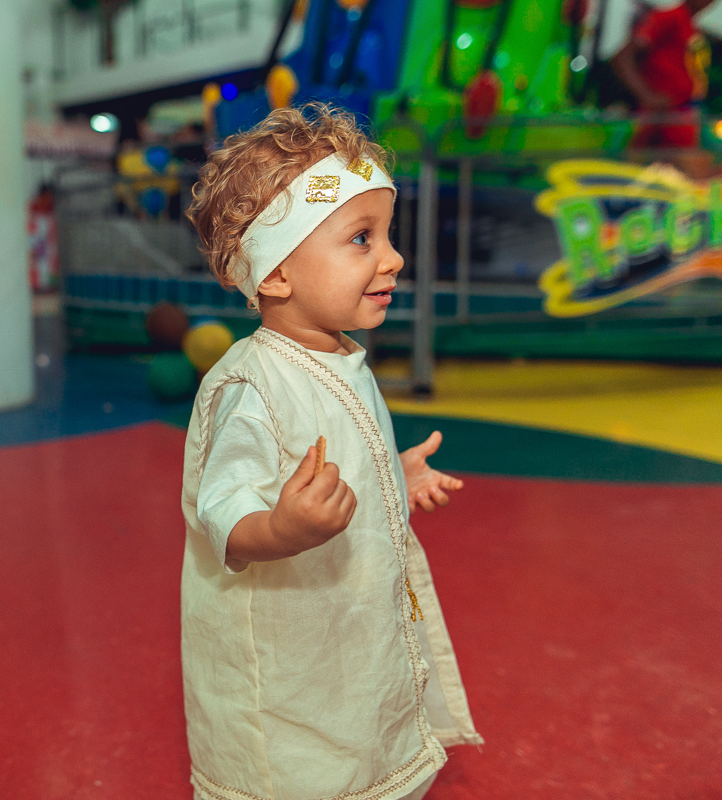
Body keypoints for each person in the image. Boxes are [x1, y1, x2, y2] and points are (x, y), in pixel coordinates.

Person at [181, 104, 482, 800]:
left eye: (387, 235)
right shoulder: (251, 386)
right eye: (360, 239)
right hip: (290, 666)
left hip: (345, 637)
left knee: (357, 736)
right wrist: (280, 529)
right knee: (301, 764)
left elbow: (340, 457)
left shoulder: (342, 356)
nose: (393, 257)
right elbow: (221, 509)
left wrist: (392, 479)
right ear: (277, 273)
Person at [611, 0, 718, 151]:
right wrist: (647, 95)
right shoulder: (669, 17)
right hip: (661, 116)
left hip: (679, 114)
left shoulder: (688, 23)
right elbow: (622, 57)